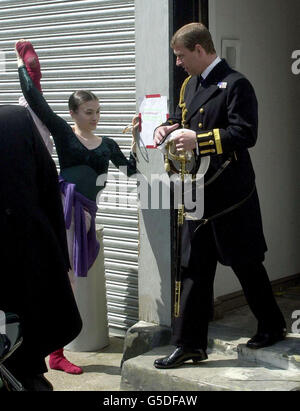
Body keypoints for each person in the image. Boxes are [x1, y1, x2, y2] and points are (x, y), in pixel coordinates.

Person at [153, 22, 286, 369]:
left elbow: (245, 133)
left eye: (182, 56)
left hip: (231, 193)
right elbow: (179, 118)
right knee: (193, 269)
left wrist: (199, 140)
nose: (179, 62)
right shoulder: (189, 85)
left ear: (200, 49)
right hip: (197, 192)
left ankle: (272, 325)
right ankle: (190, 344)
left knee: (246, 263)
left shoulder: (237, 84)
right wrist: (165, 127)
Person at [15, 40, 137, 375]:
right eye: (89, 112)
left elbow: (132, 171)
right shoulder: (65, 136)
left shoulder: (107, 143)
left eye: (98, 111)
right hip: (62, 209)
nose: (95, 118)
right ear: (74, 114)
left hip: (84, 216)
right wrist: (24, 67)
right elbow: (36, 104)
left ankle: (52, 352)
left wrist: (137, 139)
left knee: (69, 284)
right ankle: (51, 353)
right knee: (62, 280)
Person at [0, 103, 82, 390]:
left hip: (26, 267)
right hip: (30, 267)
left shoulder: (16, 119)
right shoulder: (16, 119)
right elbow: (49, 193)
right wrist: (62, 262)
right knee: (24, 361)